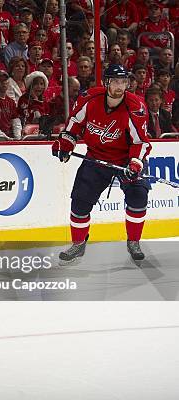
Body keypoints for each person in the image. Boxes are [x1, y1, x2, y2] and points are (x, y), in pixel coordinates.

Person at [52, 64, 151, 263]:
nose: (120, 87)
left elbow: (140, 142)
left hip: (126, 159)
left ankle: (134, 241)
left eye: (123, 82)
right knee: (79, 202)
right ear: (106, 83)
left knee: (138, 196)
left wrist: (134, 165)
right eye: (115, 82)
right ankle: (78, 244)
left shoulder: (136, 107)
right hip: (96, 157)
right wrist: (64, 144)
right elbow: (74, 125)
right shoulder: (89, 99)